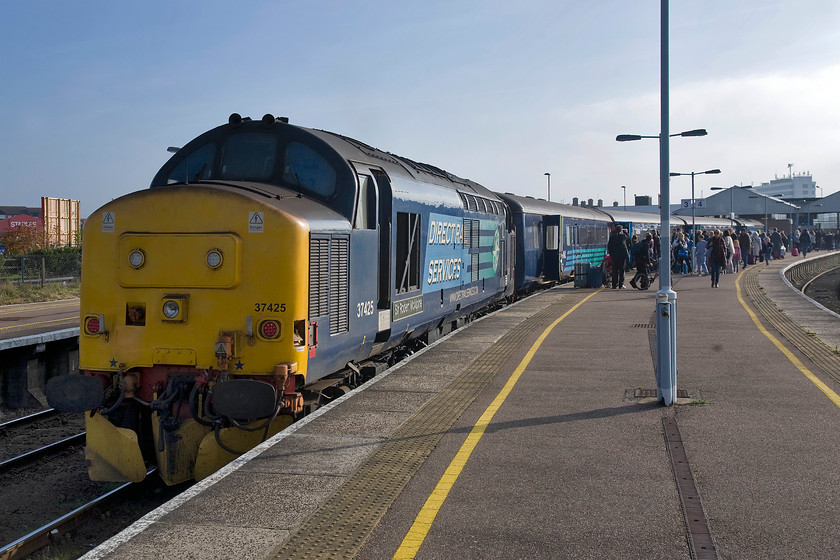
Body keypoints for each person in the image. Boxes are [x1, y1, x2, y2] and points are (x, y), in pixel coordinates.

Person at [607, 224, 630, 289]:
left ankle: (614, 284)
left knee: (615, 271)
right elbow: (628, 237)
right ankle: (621, 284)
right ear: (621, 230)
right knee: (622, 270)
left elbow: (609, 247)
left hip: (614, 257)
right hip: (622, 256)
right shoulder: (623, 236)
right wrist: (625, 231)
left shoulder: (612, 237)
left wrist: (611, 254)